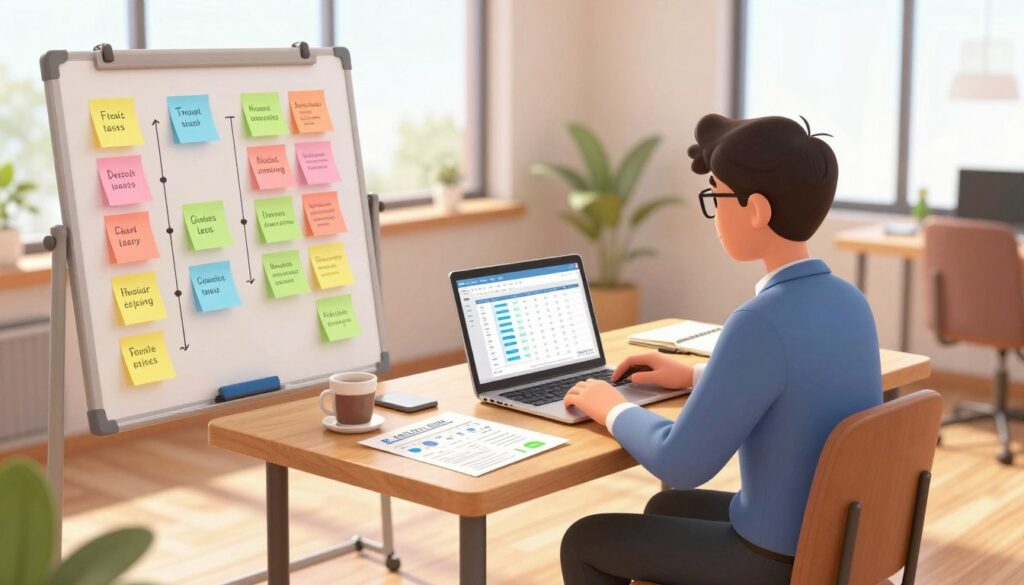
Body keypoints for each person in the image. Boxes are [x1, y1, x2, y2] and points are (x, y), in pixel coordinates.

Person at [559, 113, 882, 585]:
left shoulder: (759, 321)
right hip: (835, 540)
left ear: (757, 210)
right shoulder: (851, 302)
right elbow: (797, 385)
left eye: (716, 196)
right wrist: (694, 376)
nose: (714, 215)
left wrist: (610, 407)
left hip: (778, 561)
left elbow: (682, 462)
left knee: (584, 541)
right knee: (667, 506)